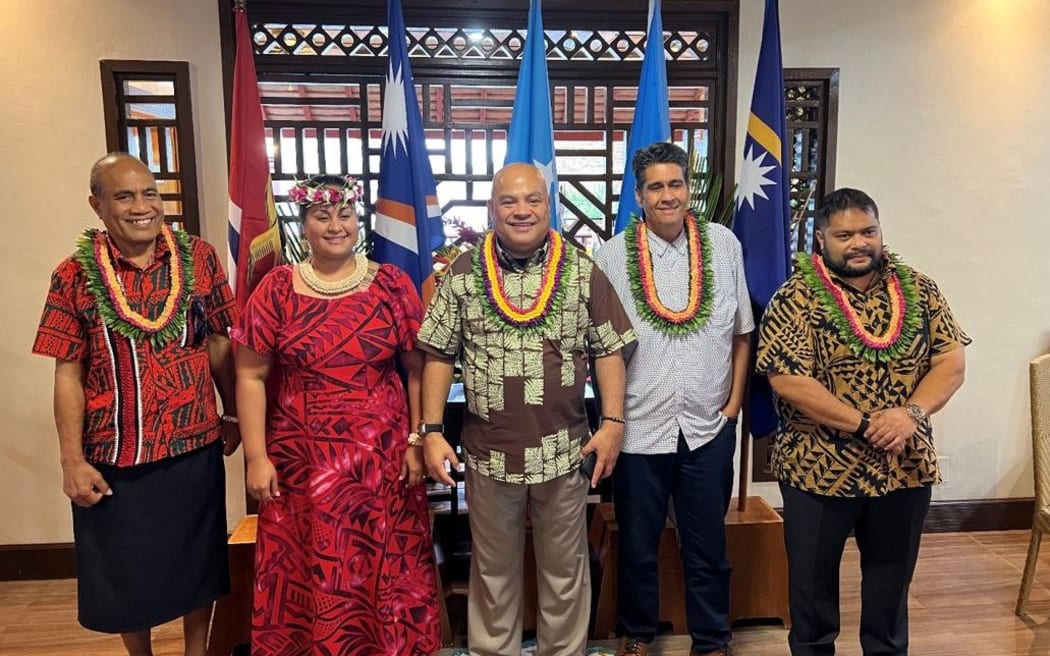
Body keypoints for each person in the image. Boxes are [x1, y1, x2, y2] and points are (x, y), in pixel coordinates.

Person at [417, 163, 636, 656]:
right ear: (492, 208)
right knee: (493, 574)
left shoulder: (582, 269)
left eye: (532, 200)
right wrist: (431, 430)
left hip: (564, 453)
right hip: (488, 455)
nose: (522, 211)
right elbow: (437, 353)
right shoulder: (464, 272)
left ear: (548, 205)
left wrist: (613, 423)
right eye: (509, 201)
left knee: (565, 573)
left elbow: (609, 350)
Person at [31, 152, 239, 656]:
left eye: (149, 193)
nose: (142, 206)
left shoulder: (200, 257)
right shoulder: (73, 275)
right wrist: (71, 461)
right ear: (97, 205)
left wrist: (230, 412)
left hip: (193, 446)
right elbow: (68, 372)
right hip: (114, 457)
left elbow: (218, 343)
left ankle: (196, 653)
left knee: (199, 563)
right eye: (124, 196)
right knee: (126, 574)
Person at [755, 188, 969, 656]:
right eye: (844, 234)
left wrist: (909, 414)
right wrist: (865, 423)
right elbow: (788, 379)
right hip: (818, 469)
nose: (858, 243)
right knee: (812, 604)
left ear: (880, 231)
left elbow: (951, 361)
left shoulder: (920, 288)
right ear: (820, 238)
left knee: (890, 598)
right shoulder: (795, 297)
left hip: (903, 465)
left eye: (867, 231)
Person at [233, 173, 439, 656]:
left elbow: (416, 369)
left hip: (382, 462)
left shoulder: (391, 283)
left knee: (383, 566)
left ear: (357, 219)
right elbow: (250, 377)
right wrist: (256, 457)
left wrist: (416, 440)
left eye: (344, 214)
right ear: (302, 223)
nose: (335, 225)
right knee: (308, 568)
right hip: (300, 464)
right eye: (322, 216)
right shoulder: (277, 289)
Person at [593, 142, 752, 656]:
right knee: (638, 547)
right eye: (655, 187)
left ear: (689, 189)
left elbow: (742, 332)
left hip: (707, 426)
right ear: (639, 195)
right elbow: (602, 347)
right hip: (639, 429)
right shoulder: (613, 257)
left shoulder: (724, 245)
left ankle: (712, 641)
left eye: (676, 184)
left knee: (708, 546)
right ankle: (637, 636)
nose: (667, 195)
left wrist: (732, 409)